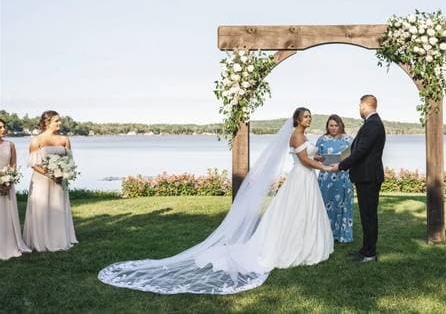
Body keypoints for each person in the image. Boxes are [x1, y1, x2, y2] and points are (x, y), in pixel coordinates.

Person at [98, 107, 334, 295]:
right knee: (295, 213)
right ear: (297, 119)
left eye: (310, 116)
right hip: (301, 178)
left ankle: (304, 243)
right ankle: (292, 246)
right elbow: (303, 161)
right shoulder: (296, 135)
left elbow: (307, 156)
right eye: (305, 116)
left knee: (303, 213)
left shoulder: (302, 135)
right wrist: (324, 166)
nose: (309, 119)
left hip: (306, 180)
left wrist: (318, 157)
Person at [329, 95, 386, 262]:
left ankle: (369, 254)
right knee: (366, 214)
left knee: (369, 215)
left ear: (364, 105)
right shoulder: (370, 124)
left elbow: (360, 152)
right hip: (366, 176)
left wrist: (340, 167)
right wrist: (331, 160)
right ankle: (366, 249)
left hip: (368, 177)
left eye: (359, 105)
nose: (359, 109)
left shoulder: (373, 124)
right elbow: (353, 149)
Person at [23, 111, 78, 252]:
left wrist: (64, 172)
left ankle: (59, 238)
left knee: (58, 208)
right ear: (47, 122)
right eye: (57, 121)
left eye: (60, 120)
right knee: (42, 208)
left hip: (59, 181)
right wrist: (50, 174)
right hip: (42, 180)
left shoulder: (65, 140)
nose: (60, 123)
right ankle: (41, 240)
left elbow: (69, 161)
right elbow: (34, 164)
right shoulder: (37, 141)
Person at [315, 115, 354, 243]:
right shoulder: (322, 139)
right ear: (327, 126)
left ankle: (342, 233)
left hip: (343, 176)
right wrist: (324, 159)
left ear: (341, 125)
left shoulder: (348, 139)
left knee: (343, 204)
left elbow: (352, 158)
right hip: (326, 177)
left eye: (336, 125)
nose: (333, 128)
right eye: (331, 125)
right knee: (326, 204)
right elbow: (316, 156)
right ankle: (326, 234)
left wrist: (330, 159)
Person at [0, 118, 31, 260]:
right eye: (0, 127)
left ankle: (11, 242)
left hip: (8, 183)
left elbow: (13, 165)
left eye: (4, 126)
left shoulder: (10, 145)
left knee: (7, 214)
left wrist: (9, 180)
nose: (3, 129)